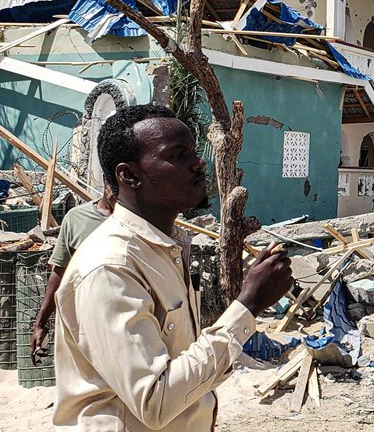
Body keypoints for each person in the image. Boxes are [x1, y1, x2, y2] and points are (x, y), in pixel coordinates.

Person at [53, 104, 293, 431]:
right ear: (129, 175)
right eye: (177, 155)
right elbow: (155, 400)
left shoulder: (166, 249)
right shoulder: (110, 267)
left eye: (194, 151)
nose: (199, 163)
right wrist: (248, 305)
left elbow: (183, 367)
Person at [30, 187, 116, 363]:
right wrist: (40, 323)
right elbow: (60, 272)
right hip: (86, 325)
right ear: (107, 183)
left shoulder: (142, 221)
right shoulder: (77, 218)